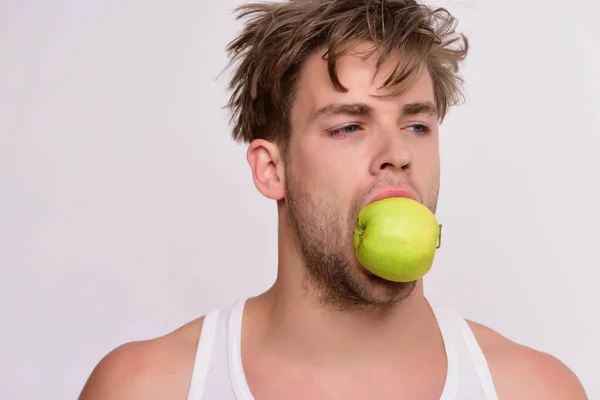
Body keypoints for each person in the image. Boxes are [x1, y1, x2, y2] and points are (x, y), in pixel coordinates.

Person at [79, 1, 588, 399]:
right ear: (271, 169)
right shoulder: (145, 389)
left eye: (416, 125)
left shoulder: (536, 391)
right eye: (348, 126)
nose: (397, 155)